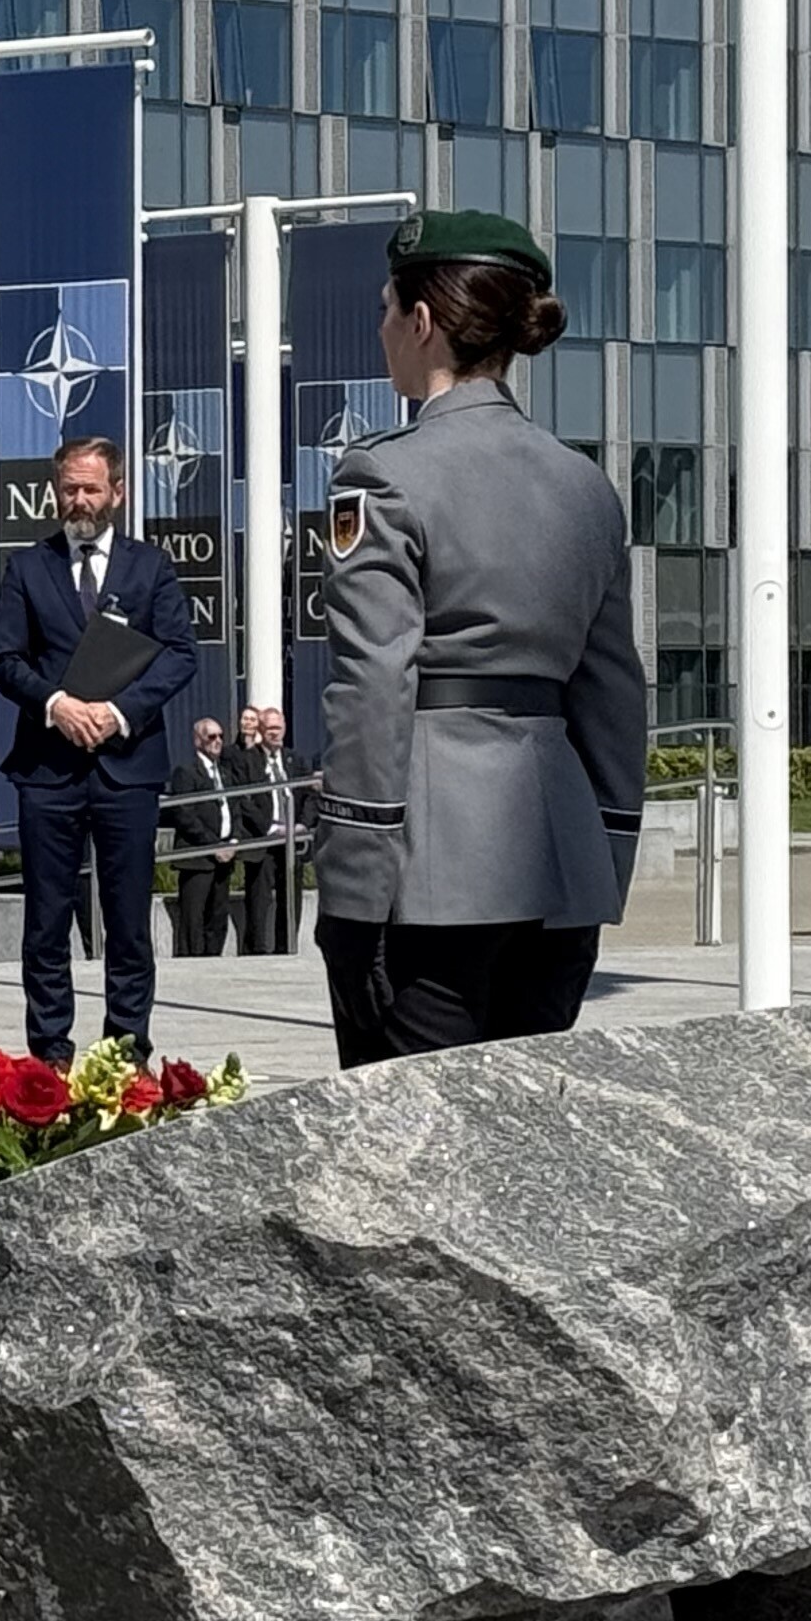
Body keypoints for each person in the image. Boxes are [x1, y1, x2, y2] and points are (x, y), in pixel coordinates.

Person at [312, 210, 646, 1067]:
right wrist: (603, 856)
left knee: (410, 1154)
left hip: (427, 868)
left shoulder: (382, 473)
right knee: (523, 1153)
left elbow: (373, 683)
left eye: (389, 310)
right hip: (559, 860)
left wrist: (352, 883)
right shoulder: (586, 486)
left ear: (422, 322)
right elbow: (613, 692)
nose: (384, 329)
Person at [0, 436, 201, 1063]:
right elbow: (3, 658)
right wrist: (56, 704)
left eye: (91, 488)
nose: (79, 500)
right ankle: (49, 1050)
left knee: (128, 917)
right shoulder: (27, 568)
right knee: (47, 919)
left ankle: (126, 1050)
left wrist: (117, 712)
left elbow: (180, 653)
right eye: (69, 488)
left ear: (118, 492)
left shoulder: (149, 568)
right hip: (49, 770)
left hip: (126, 769)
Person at [163, 715, 236, 958]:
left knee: (217, 915)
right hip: (198, 858)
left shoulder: (225, 773)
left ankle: (214, 959)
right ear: (198, 741)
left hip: (225, 856)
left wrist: (233, 841)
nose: (217, 741)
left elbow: (234, 807)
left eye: (221, 737)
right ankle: (191, 963)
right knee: (193, 918)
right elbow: (184, 814)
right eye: (211, 736)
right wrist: (212, 844)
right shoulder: (186, 772)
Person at [232, 703, 302, 954]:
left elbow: (308, 794)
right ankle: (257, 949)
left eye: (278, 728)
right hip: (262, 839)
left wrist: (301, 824)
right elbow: (243, 799)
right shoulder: (248, 761)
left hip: (292, 840)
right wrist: (270, 827)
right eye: (270, 728)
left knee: (290, 896)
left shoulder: (295, 760)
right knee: (259, 898)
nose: (275, 733)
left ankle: (287, 946)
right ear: (261, 730)